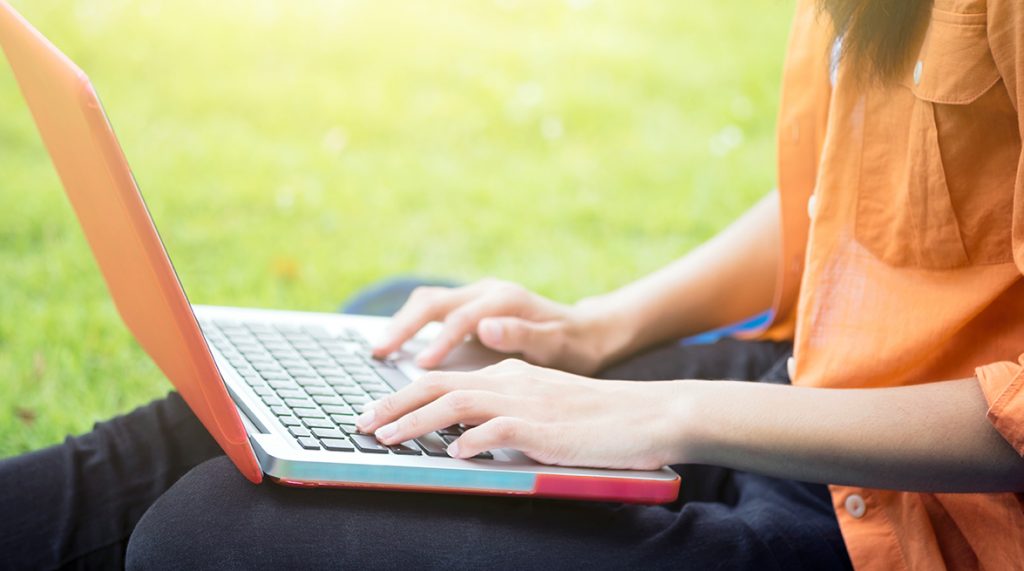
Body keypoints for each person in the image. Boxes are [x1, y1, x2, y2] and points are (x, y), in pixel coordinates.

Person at [2, 0, 1023, 568]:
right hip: (813, 391)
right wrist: (594, 331)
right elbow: (841, 197)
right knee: (386, 353)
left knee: (208, 537)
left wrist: (654, 410)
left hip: (924, 525)